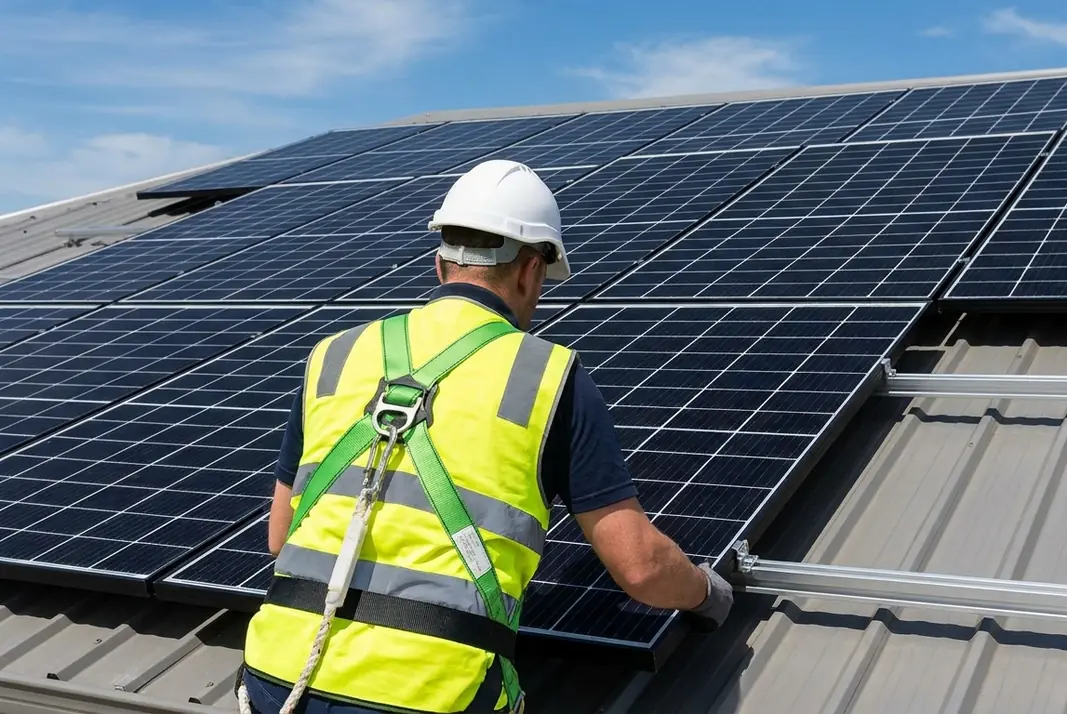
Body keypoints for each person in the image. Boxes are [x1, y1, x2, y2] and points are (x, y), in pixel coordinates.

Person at [236, 159, 734, 714]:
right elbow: (639, 566)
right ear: (529, 271)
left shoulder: (333, 354)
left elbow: (281, 535)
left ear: (439, 265)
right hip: (430, 693)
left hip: (276, 676)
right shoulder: (548, 376)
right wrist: (705, 593)